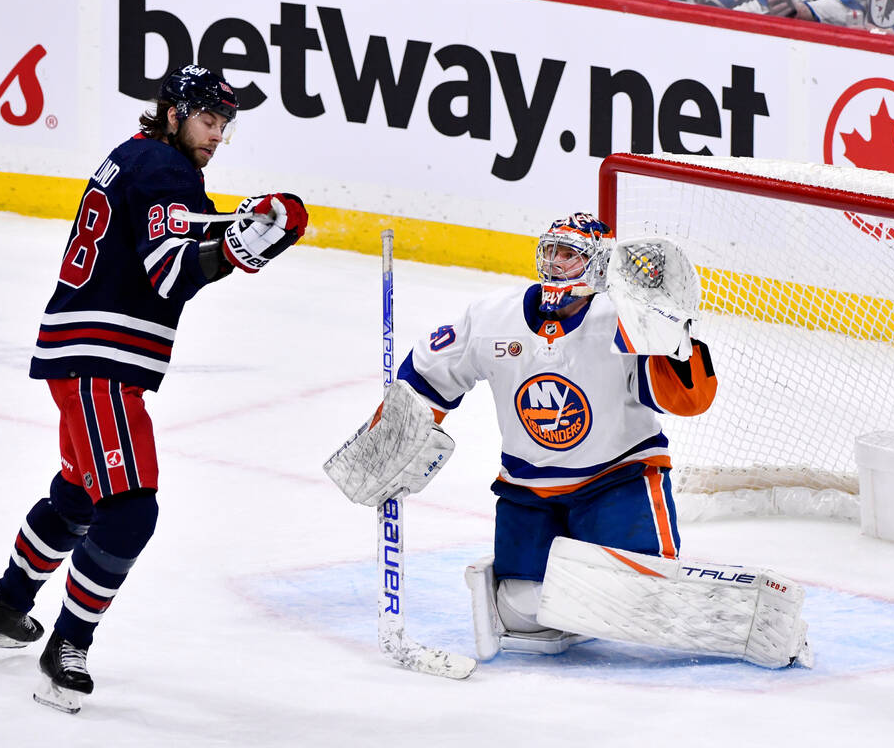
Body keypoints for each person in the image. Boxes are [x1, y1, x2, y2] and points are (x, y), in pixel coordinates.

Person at [0, 64, 309, 713]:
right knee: (130, 510)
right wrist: (243, 243)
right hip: (102, 362)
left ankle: (5, 605)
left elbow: (175, 234)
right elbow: (171, 272)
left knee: (81, 495)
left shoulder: (137, 161)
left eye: (225, 125)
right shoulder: (167, 171)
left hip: (78, 351)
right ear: (174, 113)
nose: (217, 135)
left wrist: (238, 228)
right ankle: (66, 647)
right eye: (209, 120)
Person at [325, 214, 812, 668]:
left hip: (616, 481)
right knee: (521, 614)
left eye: (571, 254)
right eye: (551, 251)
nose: (556, 263)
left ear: (598, 263)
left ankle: (746, 622)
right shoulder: (492, 317)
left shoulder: (624, 320)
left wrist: (676, 338)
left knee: (642, 600)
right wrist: (388, 444)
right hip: (527, 490)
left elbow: (688, 400)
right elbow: (428, 377)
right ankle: (577, 593)